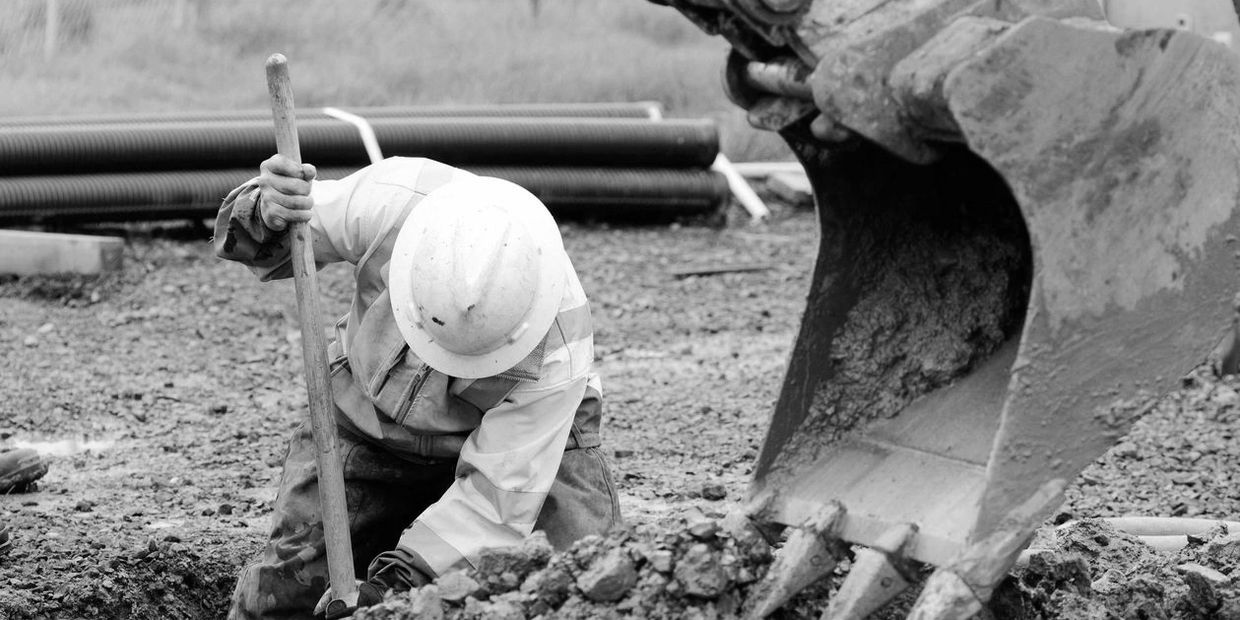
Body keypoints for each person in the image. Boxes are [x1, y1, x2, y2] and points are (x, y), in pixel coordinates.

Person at [214, 155, 621, 619]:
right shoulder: (395, 200)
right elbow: (292, 232)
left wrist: (389, 596)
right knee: (282, 601)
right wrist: (266, 213)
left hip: (528, 451)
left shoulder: (559, 348)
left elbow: (494, 507)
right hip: (368, 418)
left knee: (582, 588)